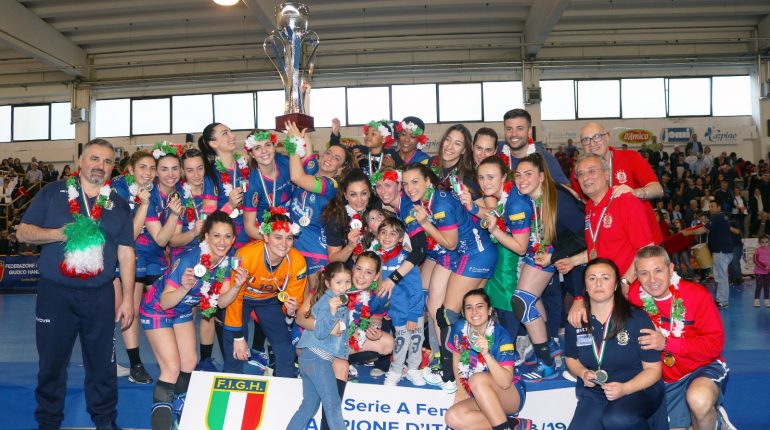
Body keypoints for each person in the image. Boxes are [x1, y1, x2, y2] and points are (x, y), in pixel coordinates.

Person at [18, 138, 135, 430]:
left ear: (112, 168)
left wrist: (128, 298)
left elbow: (126, 254)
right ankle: (48, 422)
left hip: (100, 296)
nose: (100, 166)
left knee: (103, 365)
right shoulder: (52, 192)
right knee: (52, 363)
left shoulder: (119, 204)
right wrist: (58, 234)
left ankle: (105, 421)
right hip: (55, 294)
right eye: (94, 158)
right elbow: (23, 232)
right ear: (80, 161)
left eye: (107, 161)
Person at [140, 211, 247, 428]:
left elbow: (221, 303)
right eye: (216, 236)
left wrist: (236, 287)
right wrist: (184, 288)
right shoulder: (190, 259)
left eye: (227, 236)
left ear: (233, 239)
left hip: (182, 310)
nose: (222, 242)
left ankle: (178, 410)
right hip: (157, 309)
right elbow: (165, 302)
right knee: (171, 368)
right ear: (206, 236)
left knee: (189, 362)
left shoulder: (227, 262)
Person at [404, 163, 498, 393]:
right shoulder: (433, 198)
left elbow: (450, 243)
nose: (409, 188)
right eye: (405, 184)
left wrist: (425, 223)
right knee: (465, 311)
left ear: (428, 181)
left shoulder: (440, 203)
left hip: (475, 255)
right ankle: (471, 364)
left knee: (447, 314)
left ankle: (450, 373)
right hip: (473, 254)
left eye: (415, 182)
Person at [629, 245, 733, 430]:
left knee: (699, 399)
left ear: (671, 269)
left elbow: (714, 346)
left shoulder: (696, 295)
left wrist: (667, 343)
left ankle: (717, 424)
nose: (652, 279)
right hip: (666, 379)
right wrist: (579, 302)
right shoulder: (636, 297)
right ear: (637, 276)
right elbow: (607, 293)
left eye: (658, 270)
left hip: (701, 367)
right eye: (644, 273)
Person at [564, 258, 664, 430]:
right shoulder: (577, 320)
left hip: (638, 388)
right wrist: (582, 372)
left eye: (605, 277)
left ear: (616, 285)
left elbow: (654, 370)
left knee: (617, 419)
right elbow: (571, 358)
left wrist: (625, 388)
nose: (598, 283)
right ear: (585, 286)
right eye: (592, 278)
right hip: (596, 393)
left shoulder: (636, 318)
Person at [511, 153, 585, 381]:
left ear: (542, 177)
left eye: (528, 174)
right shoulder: (529, 197)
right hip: (543, 252)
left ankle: (547, 363)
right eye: (518, 175)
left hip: (571, 256)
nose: (522, 180)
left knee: (522, 301)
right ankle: (548, 348)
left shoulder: (559, 199)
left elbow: (586, 235)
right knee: (530, 299)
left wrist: (555, 257)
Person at [560, 153, 656, 327]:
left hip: (632, 292)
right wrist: (573, 261)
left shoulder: (625, 201)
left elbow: (647, 250)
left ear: (606, 174)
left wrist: (625, 282)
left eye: (591, 171)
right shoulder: (590, 207)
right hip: (607, 291)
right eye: (580, 174)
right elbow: (599, 249)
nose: (585, 177)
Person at [223, 210, 307, 376]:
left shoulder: (298, 262)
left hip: (269, 300)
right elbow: (234, 298)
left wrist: (290, 312)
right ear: (266, 237)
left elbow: (292, 302)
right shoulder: (245, 256)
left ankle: (283, 388)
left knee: (286, 351)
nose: (284, 244)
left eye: (289, 238)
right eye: (278, 237)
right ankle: (229, 385)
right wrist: (238, 337)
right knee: (235, 350)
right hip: (241, 298)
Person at [444, 290, 528, 430]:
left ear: (489, 310)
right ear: (464, 312)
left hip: (510, 393)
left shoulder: (502, 336)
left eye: (480, 306)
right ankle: (513, 424)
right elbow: (457, 357)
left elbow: (505, 382)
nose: (474, 312)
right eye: (469, 307)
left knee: (477, 379)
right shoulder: (459, 327)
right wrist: (461, 390)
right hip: (478, 393)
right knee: (452, 417)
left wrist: (487, 355)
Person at [570, 122, 663, 243]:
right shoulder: (580, 173)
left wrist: (634, 193)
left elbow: (658, 189)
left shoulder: (630, 157)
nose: (592, 143)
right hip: (612, 243)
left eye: (597, 137)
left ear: (607, 136)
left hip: (646, 240)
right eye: (586, 140)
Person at [287, 262, 351, 430]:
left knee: (308, 407)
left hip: (310, 358)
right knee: (333, 407)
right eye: (339, 282)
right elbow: (322, 332)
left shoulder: (335, 301)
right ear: (328, 283)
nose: (344, 286)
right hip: (318, 359)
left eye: (347, 281)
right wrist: (331, 312)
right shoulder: (328, 302)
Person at [111, 150, 155, 383]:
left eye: (152, 168)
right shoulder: (117, 189)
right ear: (130, 169)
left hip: (137, 255)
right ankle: (106, 359)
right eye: (142, 167)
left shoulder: (154, 189)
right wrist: (144, 204)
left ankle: (135, 364)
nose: (148, 173)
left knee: (132, 310)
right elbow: (129, 233)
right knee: (112, 309)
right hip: (112, 254)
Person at [378, 218, 426, 386]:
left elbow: (416, 289)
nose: (387, 237)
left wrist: (414, 315)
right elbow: (379, 289)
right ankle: (396, 370)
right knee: (401, 342)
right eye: (383, 232)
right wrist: (385, 310)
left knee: (416, 341)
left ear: (400, 238)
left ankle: (413, 369)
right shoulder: (377, 258)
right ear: (377, 236)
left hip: (413, 311)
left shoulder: (406, 259)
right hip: (397, 312)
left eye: (393, 233)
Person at [199, 122, 250, 249]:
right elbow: (209, 221)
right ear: (213, 143)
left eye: (230, 132)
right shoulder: (211, 175)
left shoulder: (245, 166)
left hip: (252, 234)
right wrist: (230, 205)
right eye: (225, 133)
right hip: (228, 242)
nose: (232, 136)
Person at [243, 129, 294, 239]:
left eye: (268, 145)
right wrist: (272, 240)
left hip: (293, 223)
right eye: (257, 148)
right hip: (269, 233)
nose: (264, 151)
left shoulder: (285, 162)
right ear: (251, 154)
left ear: (274, 146)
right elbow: (249, 227)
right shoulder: (252, 185)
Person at [686, 204, 734, 308]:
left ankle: (723, 301)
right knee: (719, 276)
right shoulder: (719, 218)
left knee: (721, 276)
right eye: (710, 206)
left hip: (721, 251)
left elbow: (703, 229)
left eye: (713, 206)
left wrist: (688, 233)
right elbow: (708, 229)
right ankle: (720, 299)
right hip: (721, 250)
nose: (711, 208)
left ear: (719, 207)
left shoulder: (718, 217)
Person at [323, 169, 374, 267]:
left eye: (363, 193)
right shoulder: (337, 218)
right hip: (348, 271)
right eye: (353, 194)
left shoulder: (376, 211)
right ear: (346, 196)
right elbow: (333, 259)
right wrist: (350, 246)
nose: (359, 200)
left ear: (369, 193)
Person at [754, 234, 770, 307]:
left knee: (767, 286)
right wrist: (764, 267)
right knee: (759, 286)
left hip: (768, 272)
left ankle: (767, 300)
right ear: (759, 243)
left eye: (766, 242)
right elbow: (755, 260)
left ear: (768, 242)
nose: (764, 244)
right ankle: (756, 300)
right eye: (762, 242)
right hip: (759, 272)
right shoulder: (757, 250)